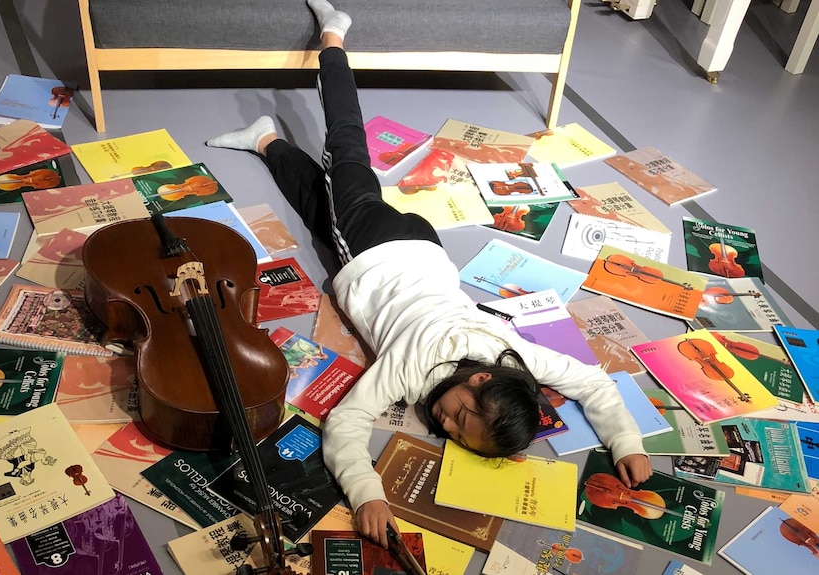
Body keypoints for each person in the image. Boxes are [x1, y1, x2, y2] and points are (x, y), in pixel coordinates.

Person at [207, 0, 653, 549]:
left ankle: (264, 140)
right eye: (462, 416)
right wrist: (366, 490)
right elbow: (347, 422)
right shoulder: (411, 365)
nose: (446, 424)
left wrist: (626, 440)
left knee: (318, 209)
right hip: (374, 249)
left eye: (459, 435)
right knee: (347, 146)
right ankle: (333, 38)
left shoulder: (511, 357)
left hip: (423, 247)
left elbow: (590, 382)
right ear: (481, 378)